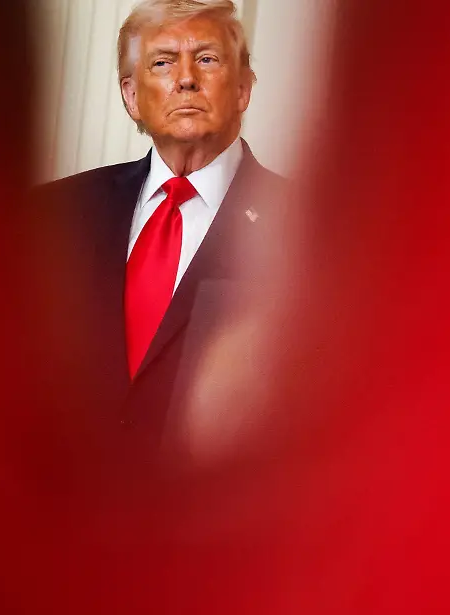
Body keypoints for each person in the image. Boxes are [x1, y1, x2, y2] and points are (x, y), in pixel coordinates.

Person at [29, 0, 286, 478]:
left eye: (207, 59)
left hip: (215, 532)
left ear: (244, 88)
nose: (185, 78)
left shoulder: (304, 230)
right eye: (162, 62)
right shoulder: (52, 214)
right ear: (131, 96)